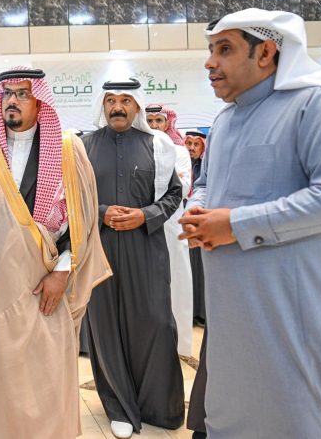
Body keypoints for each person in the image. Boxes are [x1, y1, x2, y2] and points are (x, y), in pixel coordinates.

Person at [179, 8, 321, 438]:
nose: (209, 62)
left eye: (224, 49)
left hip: (302, 325)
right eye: (210, 50)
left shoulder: (316, 105)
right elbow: (206, 185)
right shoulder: (224, 122)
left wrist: (237, 224)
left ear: (266, 53)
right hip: (237, 327)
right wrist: (198, 209)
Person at [0, 67, 111, 439]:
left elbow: (81, 217)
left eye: (22, 94)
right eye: (7, 93)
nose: (12, 101)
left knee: (42, 373)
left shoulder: (68, 149)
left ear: (40, 101)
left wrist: (63, 271)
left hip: (41, 283)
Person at [82, 78, 184, 438]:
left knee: (156, 323)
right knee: (106, 325)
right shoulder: (84, 146)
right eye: (111, 100)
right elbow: (71, 197)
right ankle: (119, 405)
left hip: (146, 246)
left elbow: (174, 194)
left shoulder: (158, 145)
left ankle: (158, 406)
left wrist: (145, 215)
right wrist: (102, 212)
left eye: (126, 100)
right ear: (103, 105)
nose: (118, 106)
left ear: (137, 106)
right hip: (101, 248)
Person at [146, 103, 194, 357]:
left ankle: (179, 345)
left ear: (168, 123)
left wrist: (161, 171)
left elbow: (183, 189)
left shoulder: (179, 150)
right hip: (143, 221)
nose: (154, 125)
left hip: (173, 222)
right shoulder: (139, 146)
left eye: (159, 121)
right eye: (150, 121)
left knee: (177, 279)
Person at [184, 130, 207, 326]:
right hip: (184, 224)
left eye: (196, 144)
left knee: (201, 271)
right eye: (188, 144)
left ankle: (202, 313)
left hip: (203, 223)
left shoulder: (206, 168)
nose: (191, 148)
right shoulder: (182, 165)